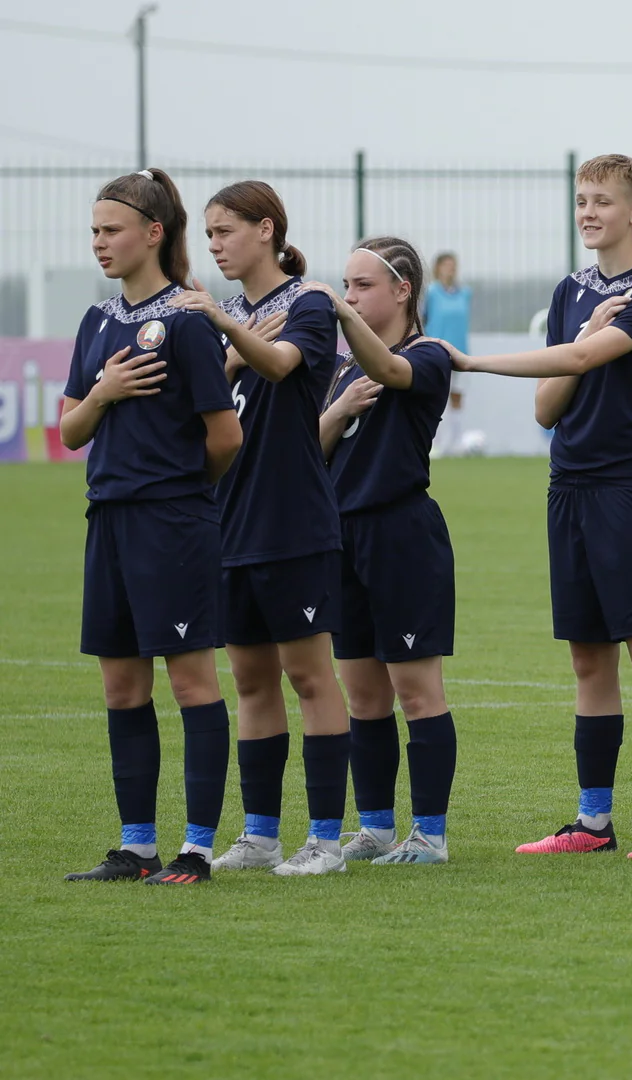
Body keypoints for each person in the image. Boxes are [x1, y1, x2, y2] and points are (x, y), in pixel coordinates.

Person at [443, 154, 632, 859]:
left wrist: (469, 362)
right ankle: (593, 824)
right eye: (581, 199)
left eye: (601, 201)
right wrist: (581, 331)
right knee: (590, 661)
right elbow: (549, 404)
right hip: (571, 489)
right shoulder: (572, 291)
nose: (587, 211)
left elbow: (583, 363)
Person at [60, 169, 241, 886]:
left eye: (112, 230)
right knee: (121, 689)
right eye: (95, 231)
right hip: (107, 521)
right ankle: (136, 848)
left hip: (173, 524)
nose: (100, 243)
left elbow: (224, 436)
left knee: (193, 683)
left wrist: (180, 497)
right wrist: (102, 392)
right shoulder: (97, 322)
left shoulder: (190, 323)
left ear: (153, 234)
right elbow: (70, 429)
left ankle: (195, 851)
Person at [171, 180, 355, 875]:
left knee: (309, 677)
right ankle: (260, 835)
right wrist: (229, 342)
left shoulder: (307, 302)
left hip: (293, 520)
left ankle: (327, 842)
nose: (214, 244)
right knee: (250, 681)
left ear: (267, 230)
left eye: (225, 231)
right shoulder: (240, 315)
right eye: (210, 233)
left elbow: (282, 365)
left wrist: (226, 329)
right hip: (229, 520)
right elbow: (210, 395)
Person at [307, 236, 460, 864]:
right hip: (340, 537)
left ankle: (430, 834)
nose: (349, 297)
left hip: (402, 536)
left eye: (362, 286)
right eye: (344, 287)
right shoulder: (342, 369)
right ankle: (374, 826)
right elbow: (309, 452)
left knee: (417, 691)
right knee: (363, 696)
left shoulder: (426, 354)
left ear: (403, 290)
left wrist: (341, 320)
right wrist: (338, 409)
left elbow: (393, 373)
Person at [424, 252, 472, 456]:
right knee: (437, 398)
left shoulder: (465, 293)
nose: (450, 269)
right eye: (446, 265)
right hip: (438, 353)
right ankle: (437, 443)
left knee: (457, 397)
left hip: (460, 352)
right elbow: (425, 318)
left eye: (453, 265)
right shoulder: (431, 292)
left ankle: (457, 441)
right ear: (438, 268)